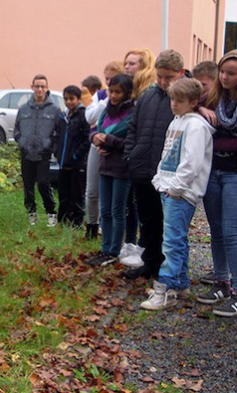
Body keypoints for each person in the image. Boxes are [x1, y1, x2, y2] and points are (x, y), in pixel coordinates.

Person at [140, 78, 214, 310]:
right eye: (172, 99)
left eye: (179, 101)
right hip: (168, 188)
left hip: (181, 193)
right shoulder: (176, 122)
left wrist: (177, 188)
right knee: (175, 238)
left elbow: (191, 162)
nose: (174, 104)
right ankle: (180, 284)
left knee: (171, 242)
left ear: (193, 102)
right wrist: (159, 180)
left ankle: (165, 288)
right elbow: (167, 154)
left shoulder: (197, 127)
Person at [123, 49, 186, 280]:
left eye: (168, 77)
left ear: (180, 73)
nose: (162, 82)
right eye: (159, 76)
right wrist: (130, 156)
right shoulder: (148, 96)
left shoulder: (186, 98)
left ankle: (170, 271)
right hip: (143, 169)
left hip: (169, 174)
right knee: (148, 220)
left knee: (168, 225)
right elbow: (134, 128)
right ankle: (150, 264)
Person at [195, 49, 237, 317]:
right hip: (212, 171)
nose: (224, 77)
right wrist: (202, 107)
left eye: (231, 73)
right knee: (215, 229)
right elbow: (186, 105)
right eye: (222, 71)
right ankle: (221, 282)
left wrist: (219, 142)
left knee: (231, 232)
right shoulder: (213, 96)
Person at [86, 74, 135, 267]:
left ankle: (114, 250)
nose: (113, 96)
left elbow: (131, 142)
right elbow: (94, 130)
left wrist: (108, 141)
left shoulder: (132, 113)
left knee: (117, 210)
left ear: (127, 93)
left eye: (118, 92)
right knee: (104, 210)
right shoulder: (106, 111)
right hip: (104, 166)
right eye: (111, 91)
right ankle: (105, 248)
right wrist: (95, 138)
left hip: (122, 168)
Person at [119, 48, 157, 268]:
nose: (127, 67)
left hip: (144, 156)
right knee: (131, 201)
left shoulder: (148, 91)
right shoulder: (129, 89)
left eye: (132, 64)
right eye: (126, 63)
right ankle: (131, 243)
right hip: (132, 153)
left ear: (144, 67)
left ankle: (143, 246)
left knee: (143, 205)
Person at [84, 61, 125, 239]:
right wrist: (105, 100)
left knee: (109, 193)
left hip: (116, 149)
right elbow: (90, 117)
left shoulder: (128, 98)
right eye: (106, 79)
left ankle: (106, 228)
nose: (108, 83)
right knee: (92, 190)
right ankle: (91, 225)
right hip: (97, 145)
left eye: (112, 79)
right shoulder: (101, 95)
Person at [14, 74, 61, 227]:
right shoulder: (23, 108)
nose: (39, 89)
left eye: (42, 86)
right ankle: (31, 213)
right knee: (28, 185)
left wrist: (50, 146)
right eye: (37, 86)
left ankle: (51, 213)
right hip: (26, 153)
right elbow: (16, 129)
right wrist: (22, 142)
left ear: (47, 88)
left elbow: (59, 132)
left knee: (43, 183)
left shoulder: (55, 110)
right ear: (32, 87)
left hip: (43, 154)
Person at [55, 85, 90, 226]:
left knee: (76, 195)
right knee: (63, 194)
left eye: (72, 99)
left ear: (79, 99)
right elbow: (57, 136)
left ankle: (77, 222)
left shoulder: (83, 116)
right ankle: (63, 220)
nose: (69, 102)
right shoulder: (63, 117)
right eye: (66, 99)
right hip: (63, 163)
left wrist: (76, 155)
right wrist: (57, 152)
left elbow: (87, 139)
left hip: (77, 164)